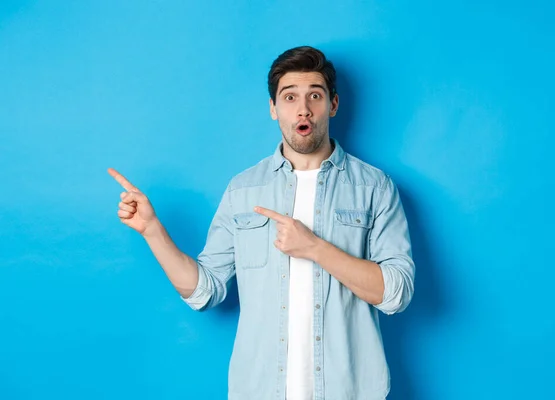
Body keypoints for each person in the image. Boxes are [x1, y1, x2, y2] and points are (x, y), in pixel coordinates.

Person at [108, 46, 415, 400]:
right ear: (273, 108)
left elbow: (396, 293)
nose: (303, 108)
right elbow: (204, 291)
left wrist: (314, 247)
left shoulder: (374, 188)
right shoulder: (243, 190)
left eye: (315, 95)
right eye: (289, 97)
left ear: (332, 105)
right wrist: (152, 231)